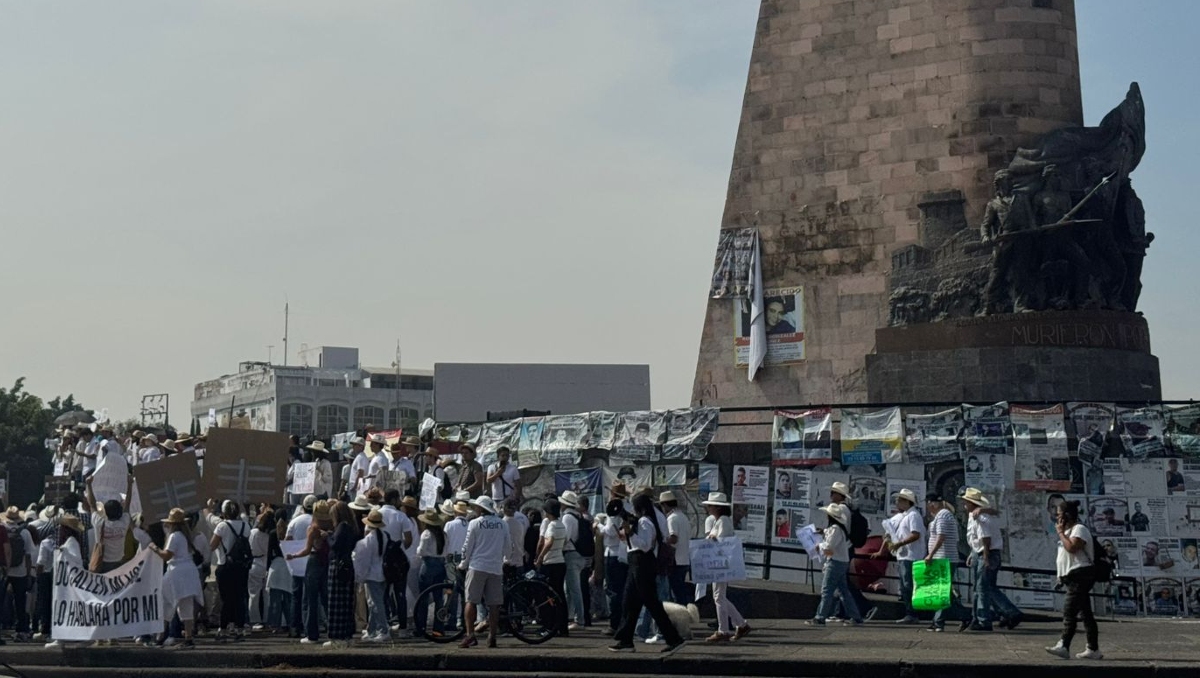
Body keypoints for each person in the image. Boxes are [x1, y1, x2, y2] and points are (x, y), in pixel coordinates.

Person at [608, 493, 686, 655]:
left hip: (642, 564)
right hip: (636, 563)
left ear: (640, 508)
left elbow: (644, 546)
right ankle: (626, 640)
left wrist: (630, 534)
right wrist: (627, 536)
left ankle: (674, 638)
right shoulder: (645, 521)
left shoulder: (645, 522)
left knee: (651, 603)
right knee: (630, 602)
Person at [1045, 500, 1102, 660]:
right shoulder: (1069, 530)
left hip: (1081, 575)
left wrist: (1061, 533)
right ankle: (1093, 648)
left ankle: (1064, 645)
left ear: (1067, 516)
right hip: (1071, 576)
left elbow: (1072, 548)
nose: (1057, 518)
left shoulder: (1079, 529)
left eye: (1059, 515)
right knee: (1086, 613)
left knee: (1069, 611)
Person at [960, 488, 1022, 632]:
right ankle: (1002, 613)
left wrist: (985, 557)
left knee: (982, 588)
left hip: (986, 553)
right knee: (985, 587)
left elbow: (985, 539)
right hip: (980, 552)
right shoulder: (976, 516)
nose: (964, 504)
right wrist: (973, 553)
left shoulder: (981, 518)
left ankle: (985, 619)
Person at [457, 496, 514, 649]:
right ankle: (492, 637)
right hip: (495, 567)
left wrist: (463, 564)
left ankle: (470, 635)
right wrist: (506, 559)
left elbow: (467, 546)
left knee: (471, 601)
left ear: (481, 509)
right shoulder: (502, 524)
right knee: (494, 604)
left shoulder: (475, 523)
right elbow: (508, 545)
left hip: (477, 566)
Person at [149, 508, 201, 649]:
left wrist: (154, 548)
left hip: (176, 571)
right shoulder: (186, 536)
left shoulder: (174, 536)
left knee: (166, 602)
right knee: (186, 605)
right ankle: (188, 637)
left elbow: (167, 556)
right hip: (189, 571)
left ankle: (160, 637)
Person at [702, 492, 750, 642]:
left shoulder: (723, 521)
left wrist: (711, 538)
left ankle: (724, 629)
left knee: (718, 596)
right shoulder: (721, 520)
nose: (708, 508)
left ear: (716, 508)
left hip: (721, 563)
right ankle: (740, 624)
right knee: (719, 596)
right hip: (720, 563)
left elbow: (722, 542)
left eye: (710, 506)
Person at [807, 502, 864, 626]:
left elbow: (829, 547)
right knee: (844, 591)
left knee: (827, 590)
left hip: (835, 562)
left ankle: (820, 617)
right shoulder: (839, 529)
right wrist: (823, 533)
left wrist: (819, 546)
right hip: (841, 562)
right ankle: (856, 617)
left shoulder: (835, 529)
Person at [875, 488, 926, 624]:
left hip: (911, 555)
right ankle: (910, 612)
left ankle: (912, 613)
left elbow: (916, 534)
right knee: (905, 585)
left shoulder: (913, 516)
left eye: (900, 500)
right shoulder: (904, 516)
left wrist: (899, 544)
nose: (897, 502)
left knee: (908, 585)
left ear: (907, 502)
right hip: (904, 555)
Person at [287, 499, 332, 645]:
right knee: (326, 599)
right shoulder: (332, 526)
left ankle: (311, 634)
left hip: (314, 562)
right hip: (327, 562)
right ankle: (332, 630)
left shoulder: (313, 528)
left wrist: (293, 555)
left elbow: (307, 550)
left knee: (309, 599)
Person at [923, 492, 967, 632]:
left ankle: (942, 621)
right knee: (944, 592)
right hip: (943, 558)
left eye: (928, 504)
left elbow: (941, 537)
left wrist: (931, 554)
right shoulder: (944, 515)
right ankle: (942, 620)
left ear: (932, 504)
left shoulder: (942, 516)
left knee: (943, 592)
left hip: (943, 558)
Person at [209, 500, 251, 641]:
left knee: (226, 599)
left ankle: (224, 629)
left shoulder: (222, 526)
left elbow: (212, 545)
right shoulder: (245, 526)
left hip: (225, 565)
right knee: (239, 598)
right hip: (241, 566)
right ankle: (239, 629)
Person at [43, 514, 85, 649]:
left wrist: (64, 553)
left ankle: (62, 638)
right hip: (65, 584)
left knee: (65, 610)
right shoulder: (70, 541)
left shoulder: (71, 542)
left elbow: (76, 561)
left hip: (68, 585)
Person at [535, 498, 571, 639]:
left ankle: (550, 626)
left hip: (550, 563)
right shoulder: (561, 524)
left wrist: (540, 557)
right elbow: (566, 540)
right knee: (559, 596)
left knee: (549, 597)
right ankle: (562, 627)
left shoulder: (551, 525)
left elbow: (548, 542)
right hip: (560, 562)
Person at [85, 472, 133, 573]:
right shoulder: (124, 523)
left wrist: (89, 485)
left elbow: (92, 505)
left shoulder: (99, 523)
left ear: (105, 512)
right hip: (119, 561)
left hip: (101, 562)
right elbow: (127, 504)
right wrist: (129, 484)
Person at [353, 509, 390, 643]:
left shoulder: (367, 540)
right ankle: (371, 630)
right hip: (384, 573)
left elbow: (364, 561)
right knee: (375, 603)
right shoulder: (385, 536)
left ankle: (383, 629)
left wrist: (359, 578)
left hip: (372, 575)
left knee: (376, 603)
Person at [285, 495, 317, 639]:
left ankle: (294, 627)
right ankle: (309, 627)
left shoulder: (294, 521)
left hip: (297, 563)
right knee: (312, 597)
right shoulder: (317, 522)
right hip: (313, 563)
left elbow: (287, 540)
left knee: (296, 596)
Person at [413, 509, 449, 636]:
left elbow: (421, 551)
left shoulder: (426, 534)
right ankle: (439, 628)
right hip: (440, 564)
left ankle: (421, 627)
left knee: (423, 596)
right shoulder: (443, 535)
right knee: (438, 597)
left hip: (428, 564)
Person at [598, 499, 628, 637]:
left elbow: (610, 531)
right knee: (620, 589)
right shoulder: (625, 515)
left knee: (612, 590)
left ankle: (614, 624)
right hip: (622, 554)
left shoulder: (613, 518)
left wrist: (598, 525)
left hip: (612, 554)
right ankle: (621, 622)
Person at [560, 491, 588, 630]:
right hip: (580, 554)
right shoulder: (578, 516)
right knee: (570, 588)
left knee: (574, 589)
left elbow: (565, 538)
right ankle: (570, 616)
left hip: (571, 554)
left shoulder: (567, 518)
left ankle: (579, 619)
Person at [662, 491, 692, 606]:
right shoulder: (683, 517)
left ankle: (680, 616)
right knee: (680, 590)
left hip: (675, 560)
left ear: (665, 505)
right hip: (684, 559)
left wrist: (662, 541)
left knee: (676, 592)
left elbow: (673, 538)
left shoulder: (672, 518)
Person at [248, 509, 276, 629]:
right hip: (267, 563)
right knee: (266, 594)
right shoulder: (270, 535)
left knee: (253, 594)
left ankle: (254, 619)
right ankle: (266, 618)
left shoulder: (253, 532)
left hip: (254, 563)